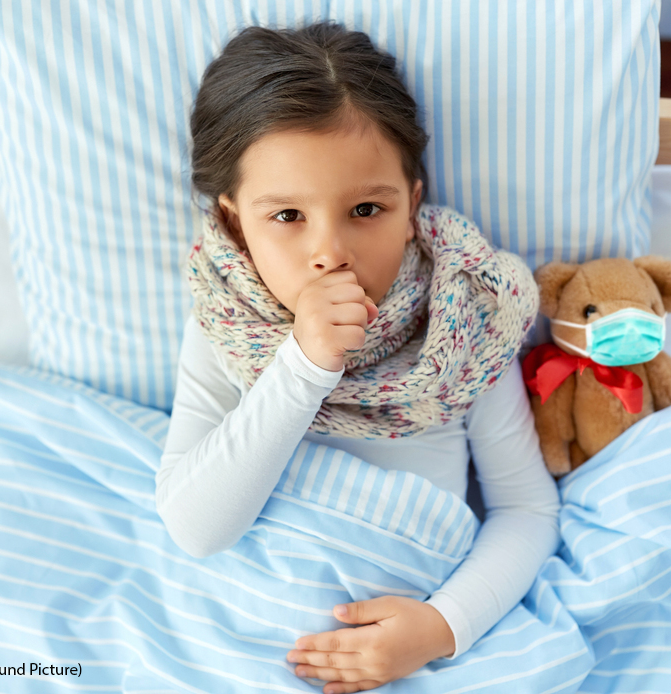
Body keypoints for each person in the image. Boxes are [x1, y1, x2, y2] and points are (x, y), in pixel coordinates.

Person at [156, 20, 560, 694]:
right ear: (234, 223)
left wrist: (441, 628)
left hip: (412, 645)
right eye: (287, 216)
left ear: (412, 207)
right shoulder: (223, 324)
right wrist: (304, 366)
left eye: (367, 208)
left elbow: (526, 510)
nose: (331, 251)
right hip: (247, 636)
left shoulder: (461, 320)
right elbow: (195, 529)